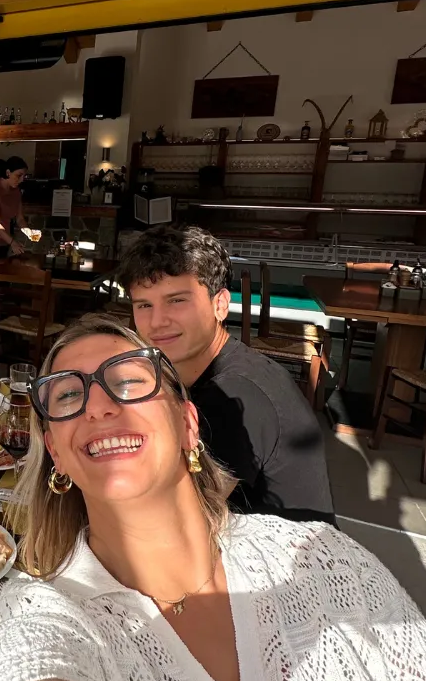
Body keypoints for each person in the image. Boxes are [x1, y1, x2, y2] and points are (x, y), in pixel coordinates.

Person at [0, 315, 426, 681]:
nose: (98, 406)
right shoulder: (49, 617)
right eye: (69, 396)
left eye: (128, 381)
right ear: (56, 453)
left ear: (188, 423)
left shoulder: (322, 560)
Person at [117, 223, 334, 524]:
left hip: (276, 551)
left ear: (220, 304)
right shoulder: (196, 371)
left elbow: (174, 520)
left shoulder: (234, 395)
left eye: (177, 300)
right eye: (144, 305)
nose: (157, 321)